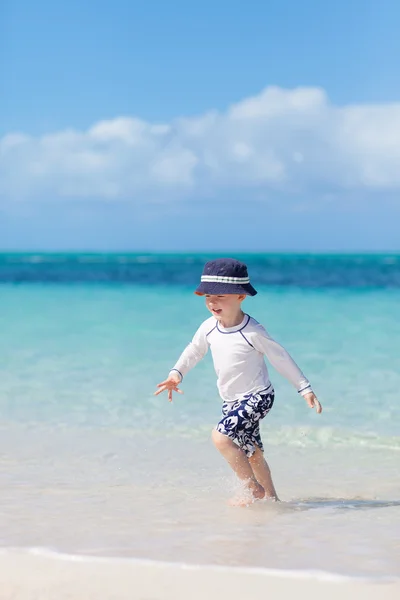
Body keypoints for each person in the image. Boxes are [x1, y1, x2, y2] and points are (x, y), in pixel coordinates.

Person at [154, 258, 322, 506]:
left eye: (220, 296)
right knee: (252, 453)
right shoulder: (209, 327)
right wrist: (176, 374)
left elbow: (280, 358)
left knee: (220, 437)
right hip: (231, 401)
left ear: (241, 296)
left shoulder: (253, 331)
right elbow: (194, 351)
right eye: (207, 296)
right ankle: (272, 500)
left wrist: (304, 388)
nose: (212, 302)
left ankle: (251, 487)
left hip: (258, 396)